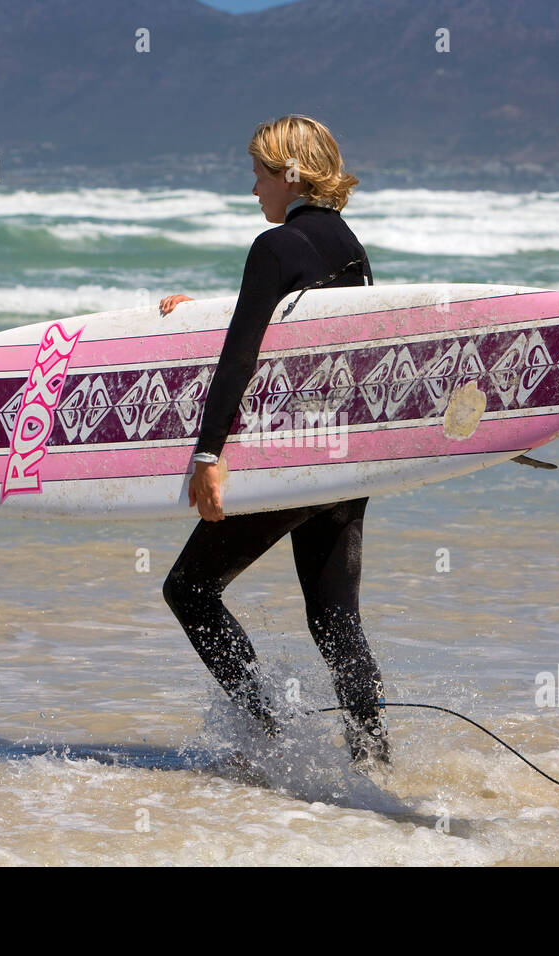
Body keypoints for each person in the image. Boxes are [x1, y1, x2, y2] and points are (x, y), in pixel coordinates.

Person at [158, 115, 389, 767]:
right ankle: (373, 760)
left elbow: (242, 358)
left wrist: (209, 455)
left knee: (190, 590)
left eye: (259, 171)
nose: (253, 186)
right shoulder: (351, 248)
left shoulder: (274, 246)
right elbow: (302, 334)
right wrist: (202, 315)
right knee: (335, 619)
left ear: (287, 175)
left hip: (291, 460)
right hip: (346, 457)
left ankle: (264, 735)